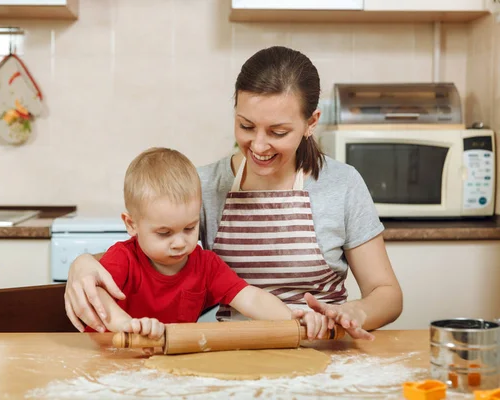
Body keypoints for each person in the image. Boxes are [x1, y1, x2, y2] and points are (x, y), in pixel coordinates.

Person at [65, 46, 402, 341]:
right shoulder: (205, 185)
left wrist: (353, 313)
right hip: (233, 349)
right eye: (245, 126)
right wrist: (81, 265)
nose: (257, 145)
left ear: (311, 123)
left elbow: (386, 294)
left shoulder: (342, 184)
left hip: (323, 345)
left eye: (278, 131)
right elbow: (144, 252)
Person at [84, 147, 331, 345]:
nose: (180, 243)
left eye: (189, 228)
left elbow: (251, 298)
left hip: (158, 364)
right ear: (131, 224)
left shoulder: (206, 265)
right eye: (164, 233)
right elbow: (96, 293)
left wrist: (291, 318)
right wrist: (124, 324)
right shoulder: (122, 258)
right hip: (104, 357)